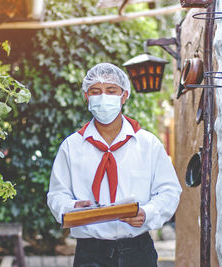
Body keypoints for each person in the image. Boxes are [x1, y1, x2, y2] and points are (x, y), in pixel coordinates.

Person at [47, 63, 182, 267]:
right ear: (87, 97)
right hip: (90, 253)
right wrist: (72, 207)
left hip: (138, 252)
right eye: (95, 91)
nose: (103, 97)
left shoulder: (147, 144)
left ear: (124, 95)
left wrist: (148, 212)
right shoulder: (71, 146)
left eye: (111, 91)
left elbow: (169, 190)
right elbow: (56, 195)